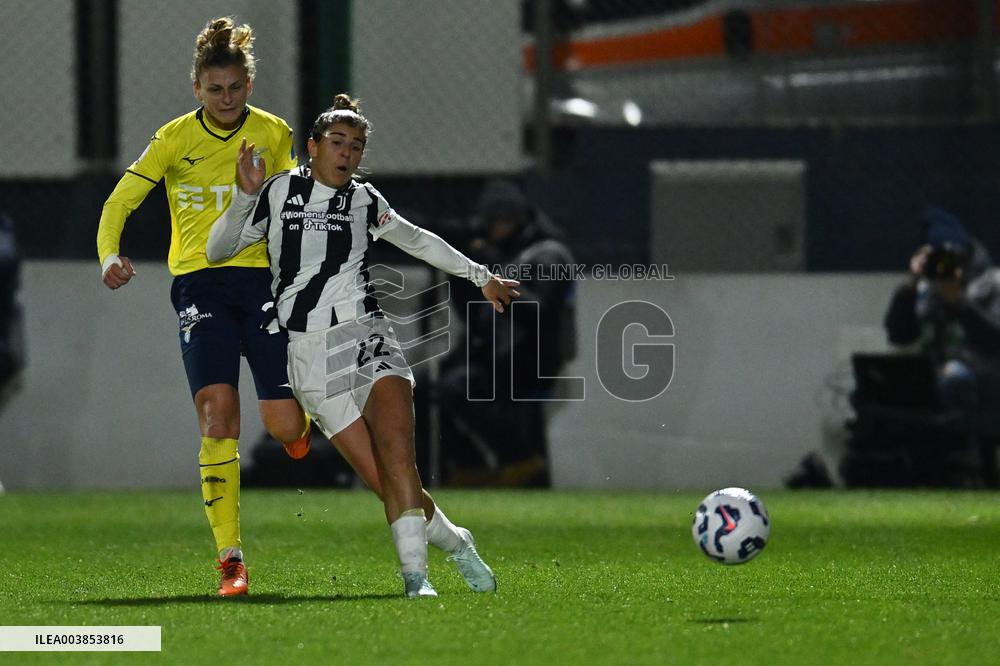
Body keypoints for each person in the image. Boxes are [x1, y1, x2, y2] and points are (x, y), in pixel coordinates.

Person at [206, 94, 520, 597]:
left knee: (399, 458)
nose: (347, 153)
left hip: (366, 332)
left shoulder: (365, 200)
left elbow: (417, 240)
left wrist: (479, 276)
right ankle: (458, 542)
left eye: (356, 145)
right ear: (312, 146)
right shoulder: (277, 191)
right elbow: (216, 249)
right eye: (337, 142)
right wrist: (244, 196)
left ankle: (415, 578)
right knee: (386, 482)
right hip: (308, 353)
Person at [96, 17, 311, 596]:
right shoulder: (173, 140)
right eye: (214, 90)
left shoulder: (273, 133)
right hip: (199, 286)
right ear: (197, 89)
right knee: (218, 416)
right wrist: (109, 255)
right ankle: (230, 558)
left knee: (285, 425)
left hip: (260, 283)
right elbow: (120, 201)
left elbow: (295, 209)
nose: (225, 98)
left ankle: (300, 423)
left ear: (249, 86)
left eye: (235, 88)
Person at [439, 179, 576, 487]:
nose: (495, 229)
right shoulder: (511, 255)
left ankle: (520, 461)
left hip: (532, 363)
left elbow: (539, 309)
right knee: (434, 386)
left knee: (457, 386)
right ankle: (471, 467)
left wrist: (492, 268)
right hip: (501, 361)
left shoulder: (548, 254)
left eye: (502, 222)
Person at [883, 207, 1000, 485]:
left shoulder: (992, 284)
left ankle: (971, 467)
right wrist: (910, 286)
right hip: (934, 375)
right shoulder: (928, 289)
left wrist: (958, 301)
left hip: (985, 378)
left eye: (952, 257)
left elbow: (995, 338)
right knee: (878, 390)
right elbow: (898, 335)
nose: (945, 266)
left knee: (955, 379)